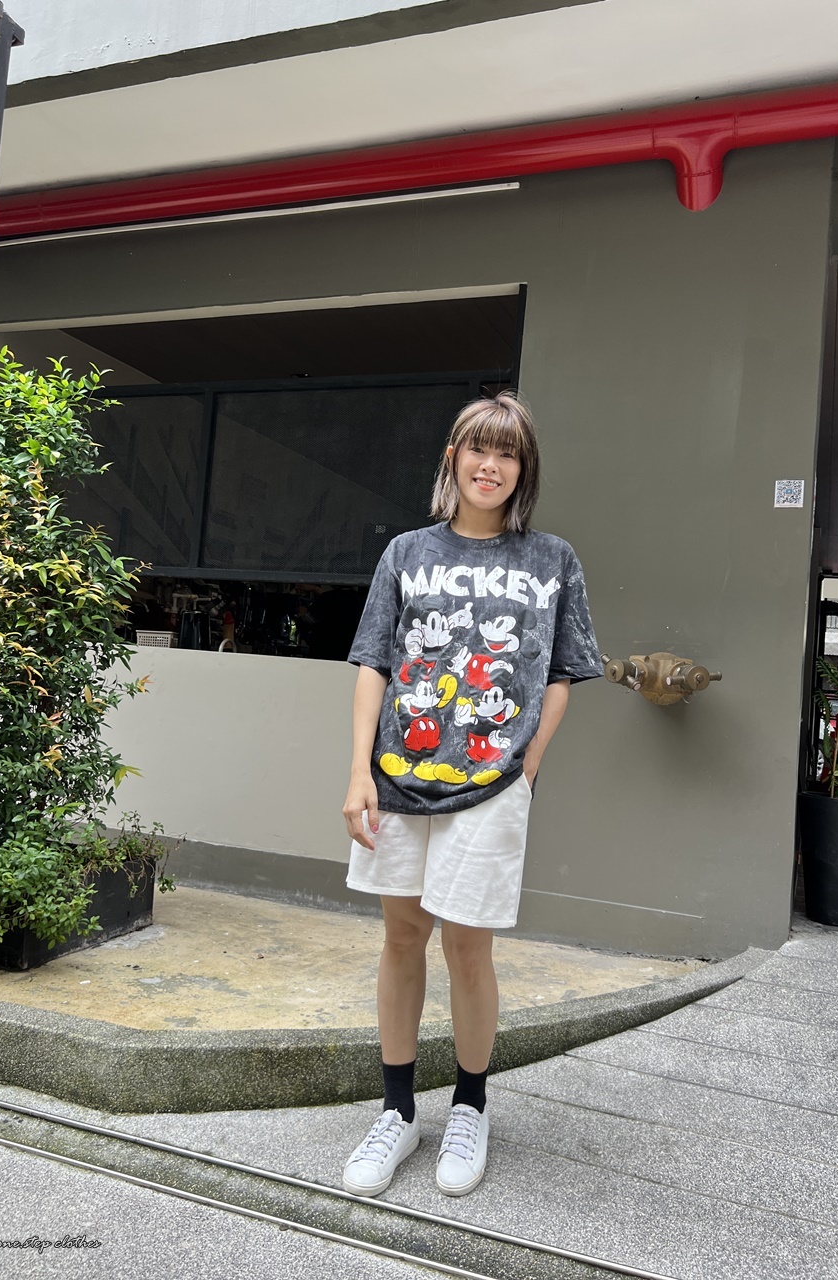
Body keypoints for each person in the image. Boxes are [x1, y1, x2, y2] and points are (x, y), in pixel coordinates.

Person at [340, 391, 603, 1199]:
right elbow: (375, 662)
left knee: (468, 947)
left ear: (524, 470)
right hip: (399, 777)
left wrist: (528, 764)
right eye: (478, 449)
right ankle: (397, 1112)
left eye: (507, 453)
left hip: (492, 784)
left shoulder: (552, 559)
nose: (491, 465)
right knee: (401, 939)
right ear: (452, 458)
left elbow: (562, 674)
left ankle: (469, 1106)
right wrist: (357, 772)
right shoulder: (406, 552)